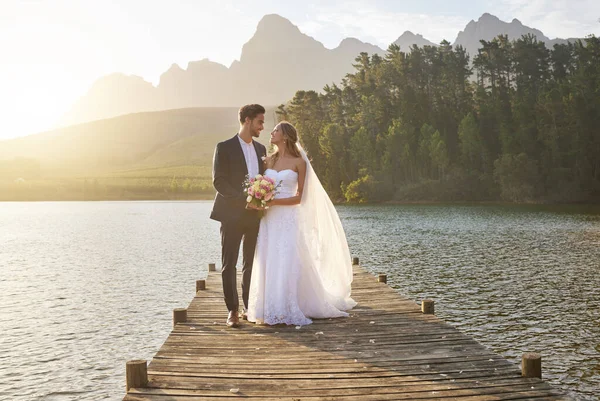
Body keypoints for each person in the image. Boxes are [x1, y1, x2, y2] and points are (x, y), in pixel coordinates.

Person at [247, 121, 357, 326]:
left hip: (288, 218)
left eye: (276, 130)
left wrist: (273, 202)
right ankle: (269, 307)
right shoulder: (268, 161)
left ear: (286, 136)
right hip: (270, 219)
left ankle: (289, 305)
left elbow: (300, 198)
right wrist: (258, 199)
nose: (271, 133)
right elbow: (260, 186)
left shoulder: (299, 163)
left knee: (287, 260)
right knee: (269, 259)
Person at [210, 104, 267, 328]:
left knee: (251, 263)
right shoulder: (224, 147)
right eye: (259, 122)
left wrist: (261, 200)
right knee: (229, 264)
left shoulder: (262, 149)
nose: (262, 126)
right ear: (246, 120)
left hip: (255, 216)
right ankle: (232, 311)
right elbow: (219, 181)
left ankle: (248, 306)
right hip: (231, 214)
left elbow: (264, 179)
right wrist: (245, 199)